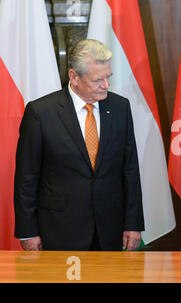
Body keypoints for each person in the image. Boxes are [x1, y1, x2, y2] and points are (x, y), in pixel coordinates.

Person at [14, 39, 144, 251]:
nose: (106, 85)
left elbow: (130, 170)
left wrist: (133, 224)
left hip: (110, 230)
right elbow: (26, 178)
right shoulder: (40, 113)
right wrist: (28, 231)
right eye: (97, 80)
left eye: (108, 77)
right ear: (74, 77)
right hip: (59, 231)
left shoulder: (120, 107)